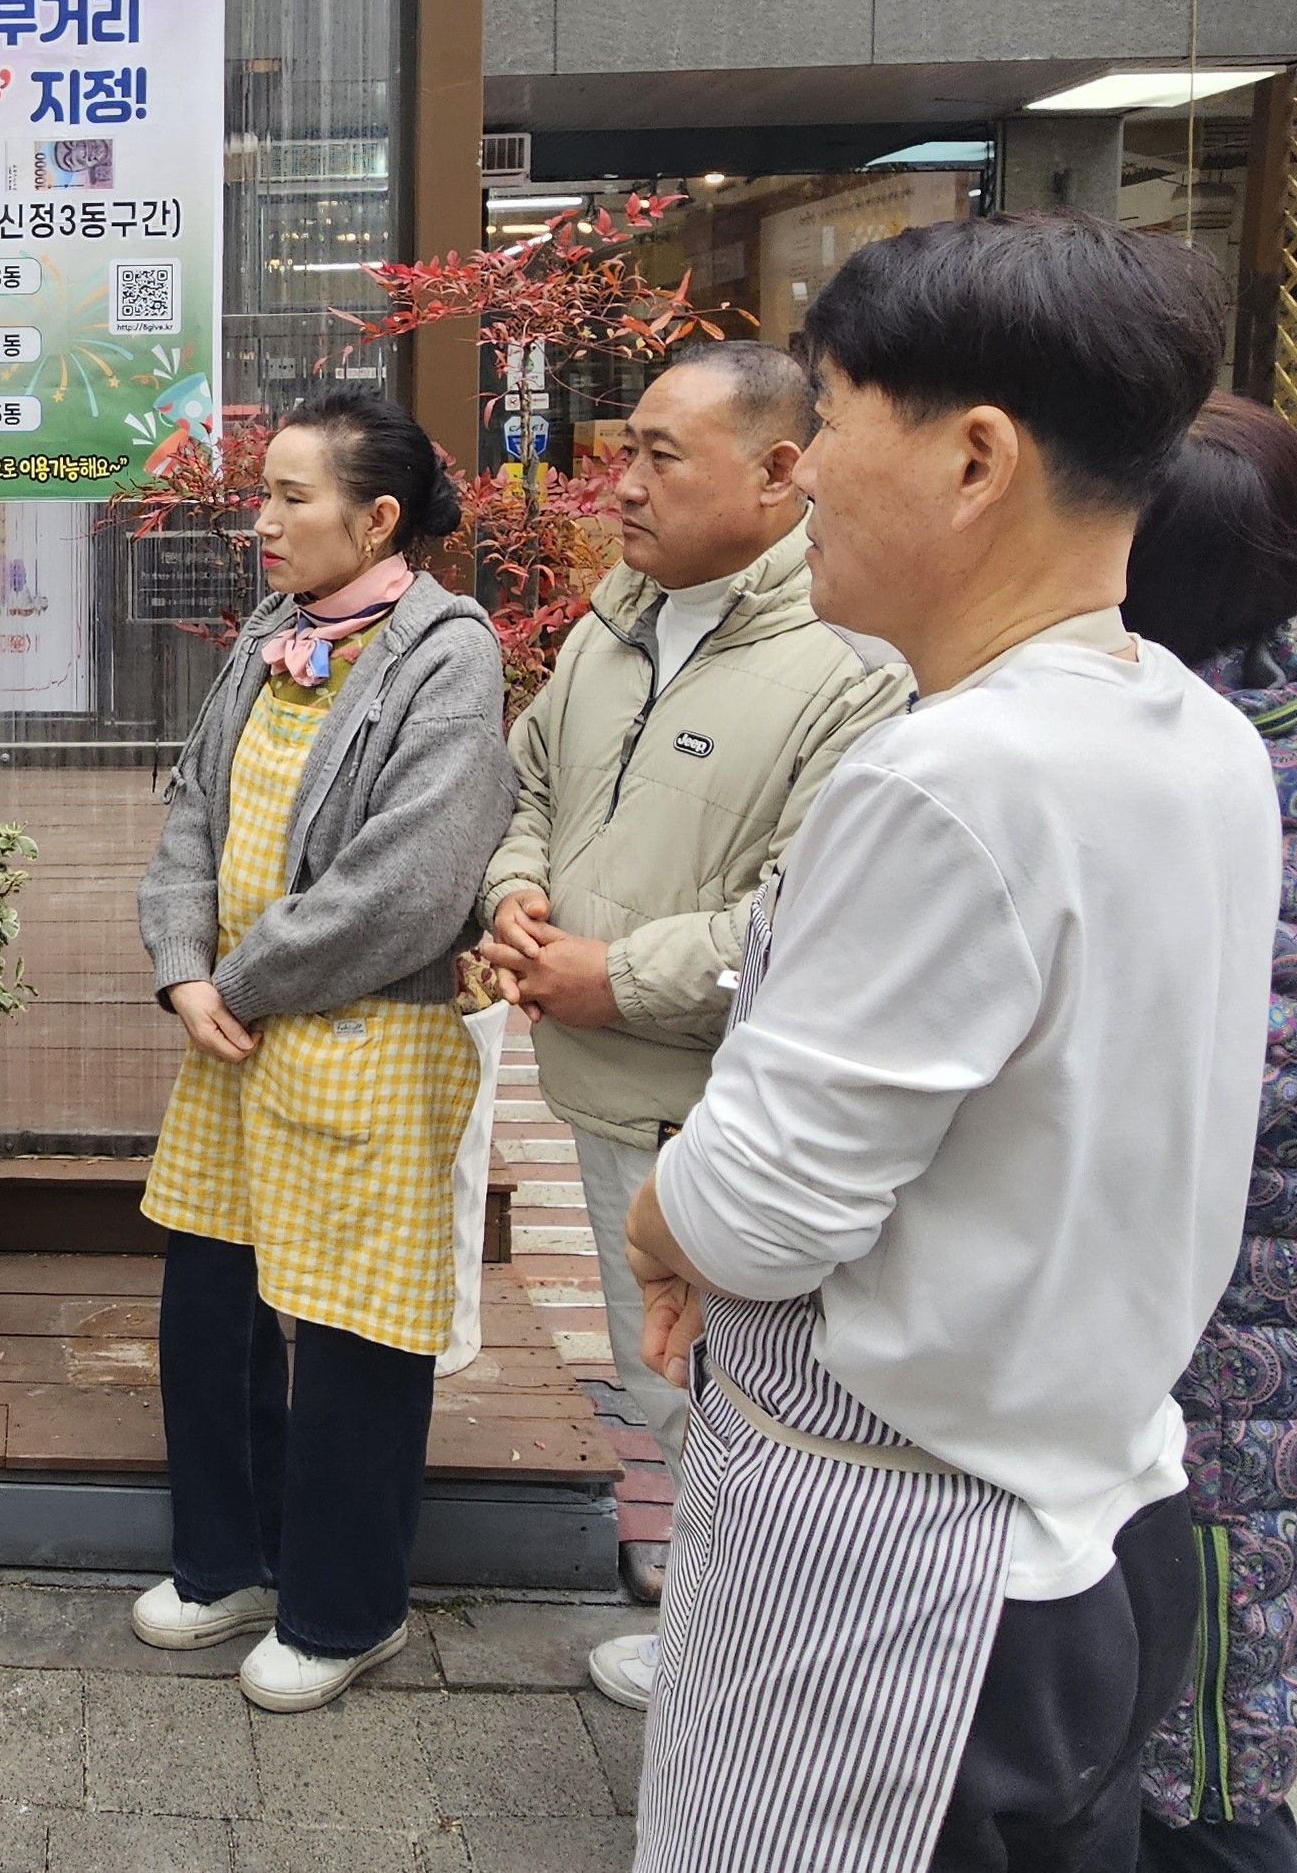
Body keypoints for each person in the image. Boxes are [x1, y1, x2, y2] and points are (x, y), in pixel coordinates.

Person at [619, 213, 1281, 1872]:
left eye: (833, 417)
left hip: (907, 1580)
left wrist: (660, 1218)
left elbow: (766, 1204)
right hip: (1105, 1518)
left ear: (977, 457)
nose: (810, 470)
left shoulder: (953, 777)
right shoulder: (1192, 730)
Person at [471, 340, 909, 1662]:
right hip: (614, 1101)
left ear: (783, 470)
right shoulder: (618, 623)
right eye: (626, 450)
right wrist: (515, 891)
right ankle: (724, 1638)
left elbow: (814, 912)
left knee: (756, 1396)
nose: (624, 483)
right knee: (663, 1379)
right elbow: (528, 779)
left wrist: (613, 975)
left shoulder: (855, 668)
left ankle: (769, 1658)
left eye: (663, 454)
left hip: (726, 1109)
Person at [134, 389, 515, 1713]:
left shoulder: (446, 653)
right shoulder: (273, 632)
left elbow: (409, 886)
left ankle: (348, 1605)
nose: (265, 520)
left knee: (357, 1331)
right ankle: (227, 1556)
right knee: (210, 1302)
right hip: (230, 1034)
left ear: (380, 517)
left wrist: (235, 975)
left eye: (294, 496)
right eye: (268, 492)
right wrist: (182, 965)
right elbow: (191, 800)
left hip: (368, 1036)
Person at [1128, 396, 1297, 1873]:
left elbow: (1198, 1097)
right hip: (1180, 1373)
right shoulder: (1234, 741)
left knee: (1209, 1754)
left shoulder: (1229, 804)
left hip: (1216, 1393)